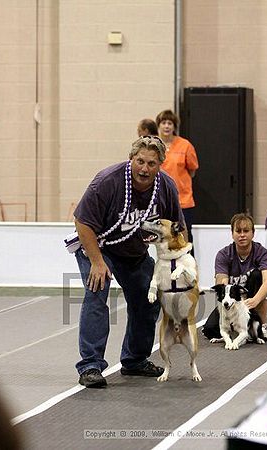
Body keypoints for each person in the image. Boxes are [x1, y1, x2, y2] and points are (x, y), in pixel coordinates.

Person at [73, 135, 187, 388]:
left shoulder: (165, 187)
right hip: (98, 247)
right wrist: (97, 262)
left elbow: (177, 230)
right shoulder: (107, 182)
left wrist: (175, 267)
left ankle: (135, 360)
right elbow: (82, 222)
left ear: (160, 165)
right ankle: (90, 365)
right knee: (97, 291)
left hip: (134, 253)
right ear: (131, 159)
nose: (144, 169)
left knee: (149, 298)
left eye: (151, 164)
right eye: (140, 161)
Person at [202, 213, 267, 342]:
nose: (242, 235)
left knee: (256, 275)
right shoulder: (223, 254)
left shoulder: (263, 253)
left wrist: (255, 300)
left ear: (253, 233)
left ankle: (261, 327)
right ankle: (241, 328)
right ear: (232, 233)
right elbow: (221, 281)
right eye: (238, 231)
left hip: (262, 296)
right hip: (237, 300)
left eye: (246, 231)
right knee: (210, 330)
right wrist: (230, 302)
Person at [155, 109, 199, 254]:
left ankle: (189, 270)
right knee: (163, 238)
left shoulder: (185, 145)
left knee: (185, 237)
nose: (167, 126)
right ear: (159, 125)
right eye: (163, 123)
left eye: (170, 123)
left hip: (183, 201)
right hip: (161, 200)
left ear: (174, 126)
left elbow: (192, 170)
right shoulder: (154, 144)